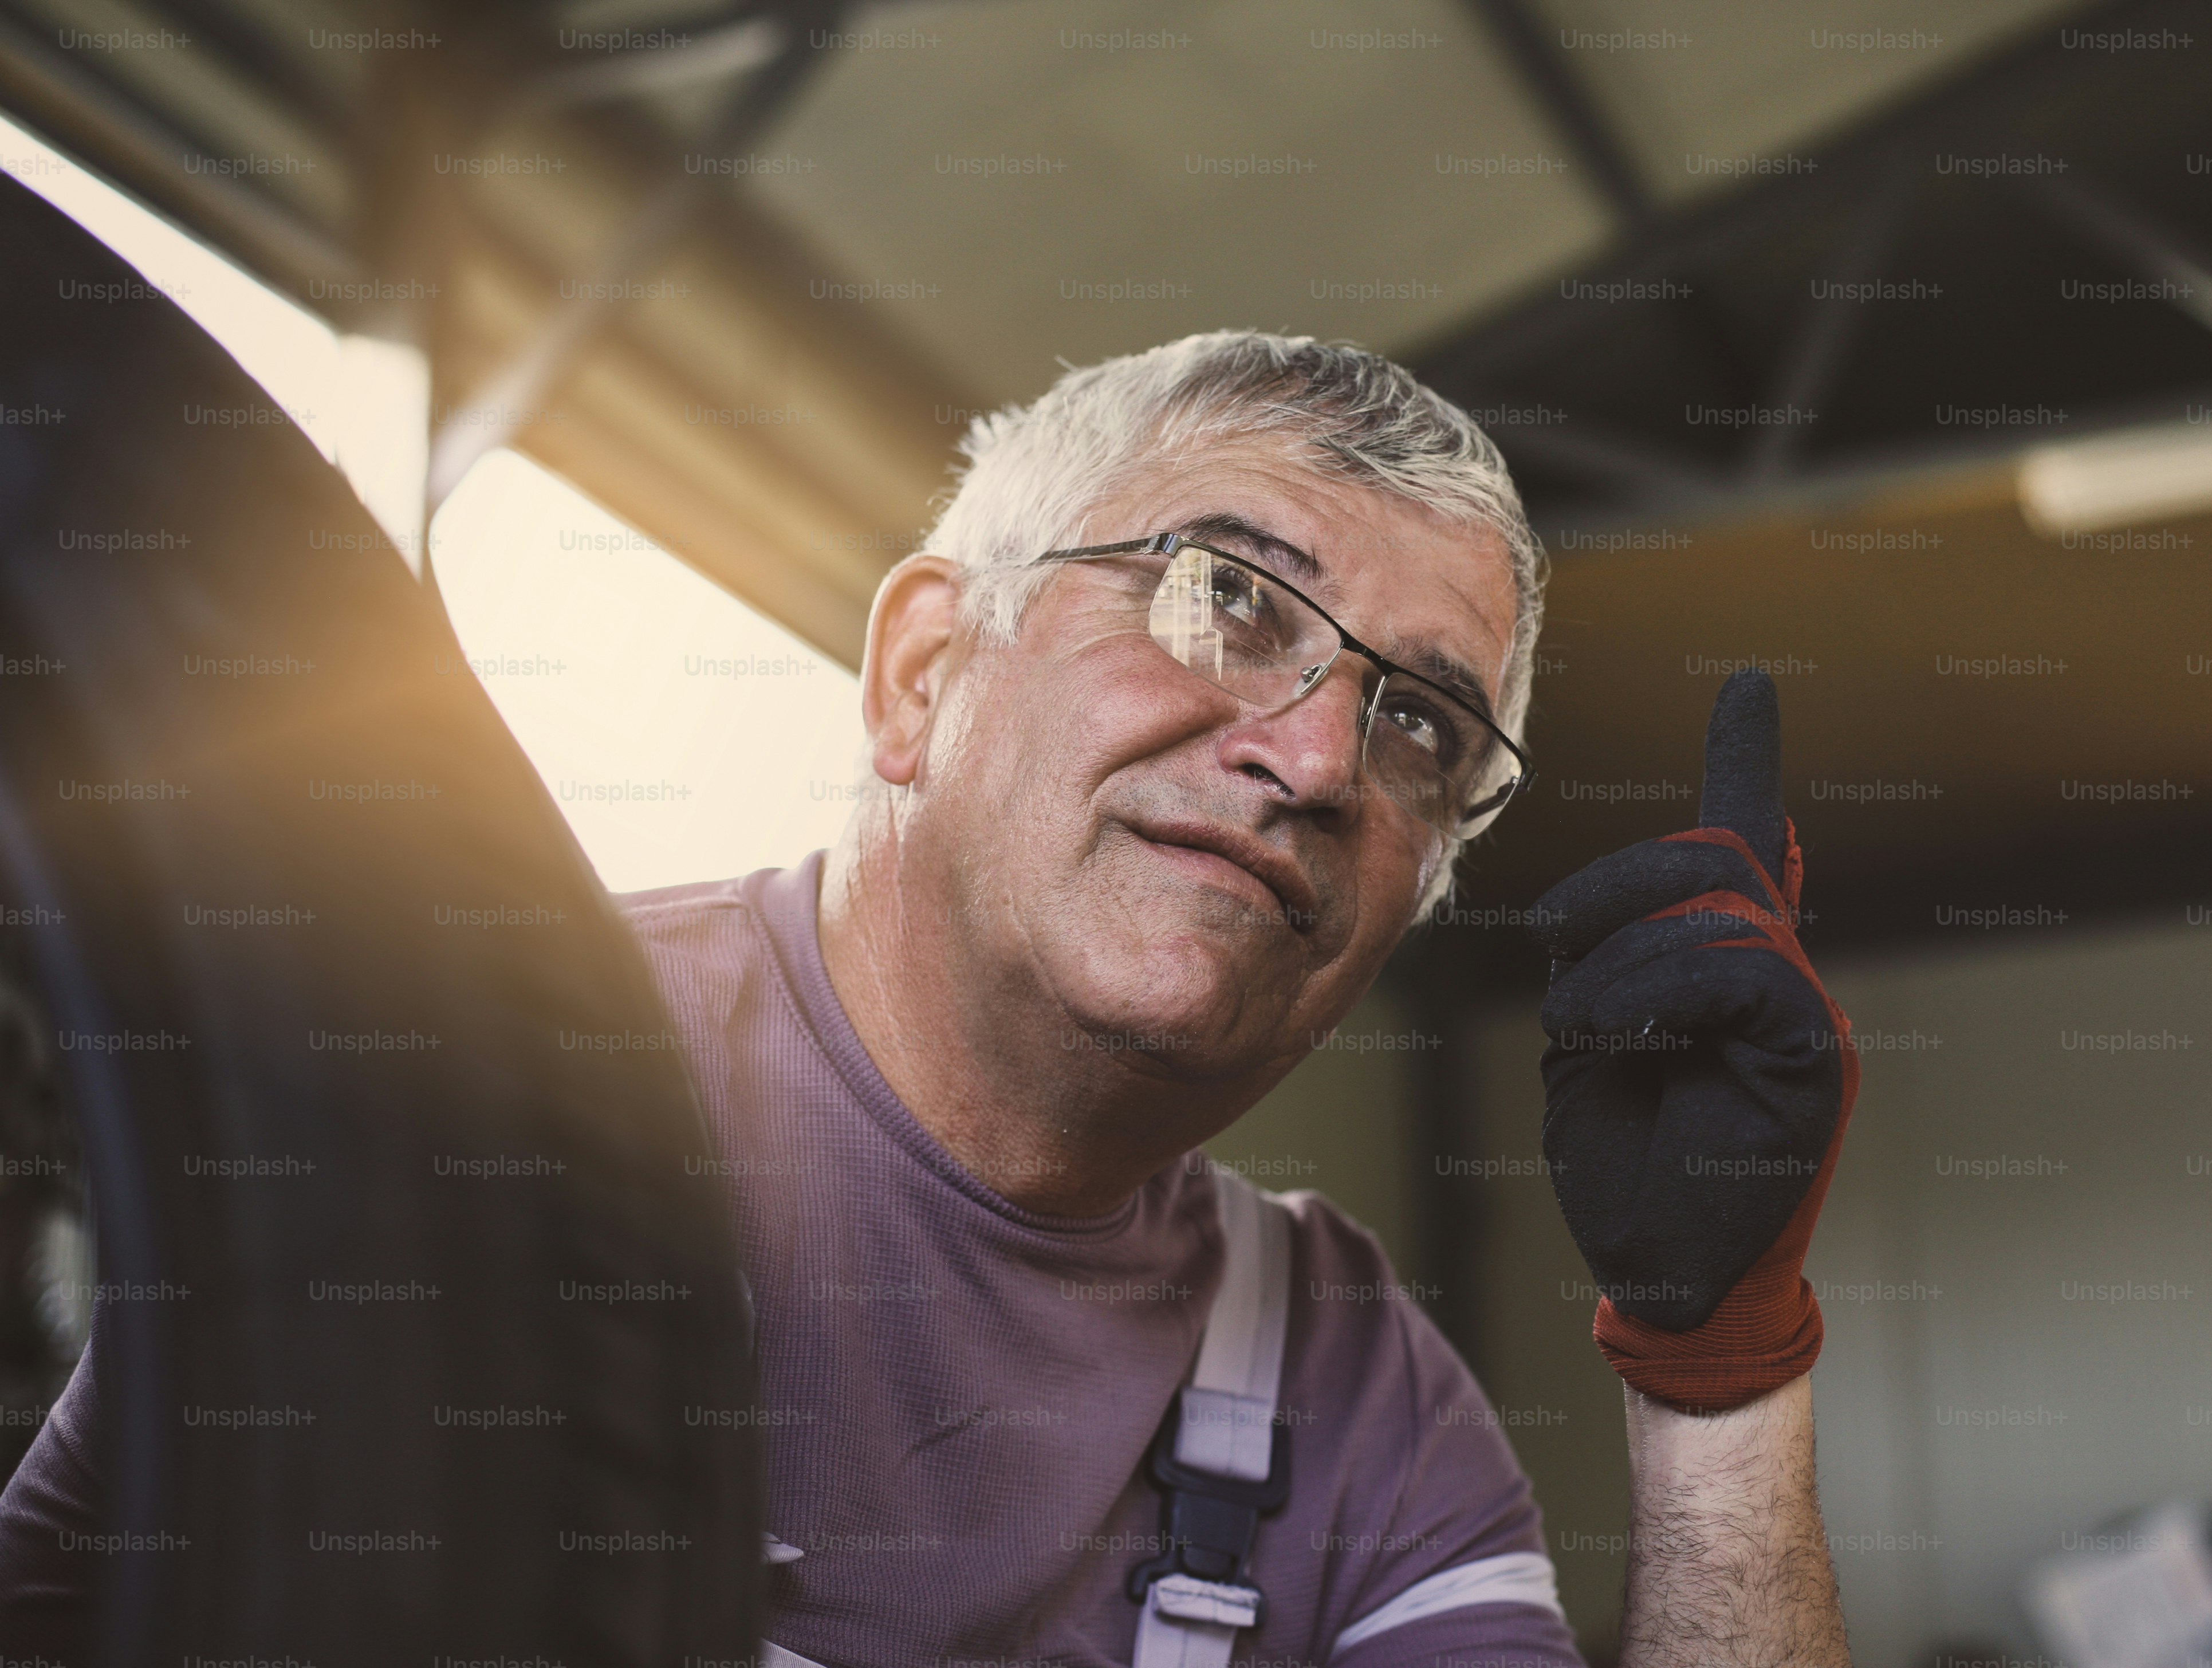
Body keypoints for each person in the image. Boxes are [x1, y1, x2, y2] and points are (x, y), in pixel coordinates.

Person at [1, 330, 1857, 1666]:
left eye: (1422, 724)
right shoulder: (478, 1102)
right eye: (1227, 600)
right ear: (920, 671)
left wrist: (1718, 1370)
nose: (1313, 760)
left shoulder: (1354, 1389)